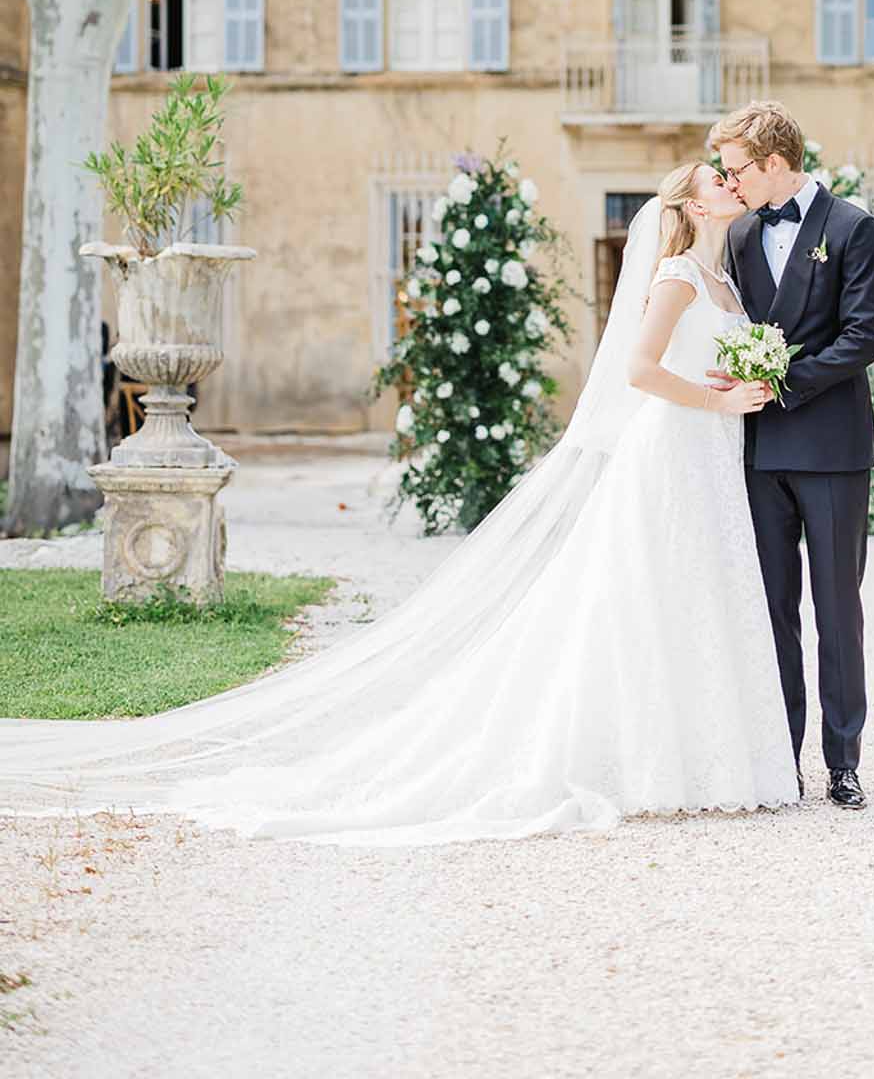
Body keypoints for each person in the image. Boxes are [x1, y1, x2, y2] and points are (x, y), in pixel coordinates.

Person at [0, 166, 798, 844]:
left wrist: (729, 389)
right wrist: (713, 398)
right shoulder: (677, 275)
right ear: (694, 207)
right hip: (675, 444)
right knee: (654, 595)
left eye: (732, 177)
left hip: (708, 448)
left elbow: (692, 364)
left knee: (700, 593)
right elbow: (639, 370)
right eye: (716, 180)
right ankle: (648, 757)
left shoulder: (723, 276)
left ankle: (706, 754)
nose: (730, 182)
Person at [707, 101, 874, 811]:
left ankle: (843, 762)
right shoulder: (743, 234)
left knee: (837, 609)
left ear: (773, 163)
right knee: (772, 609)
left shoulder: (851, 228)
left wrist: (782, 382)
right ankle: (781, 760)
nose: (731, 182)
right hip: (760, 452)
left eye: (736, 169)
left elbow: (865, 335)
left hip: (833, 447)